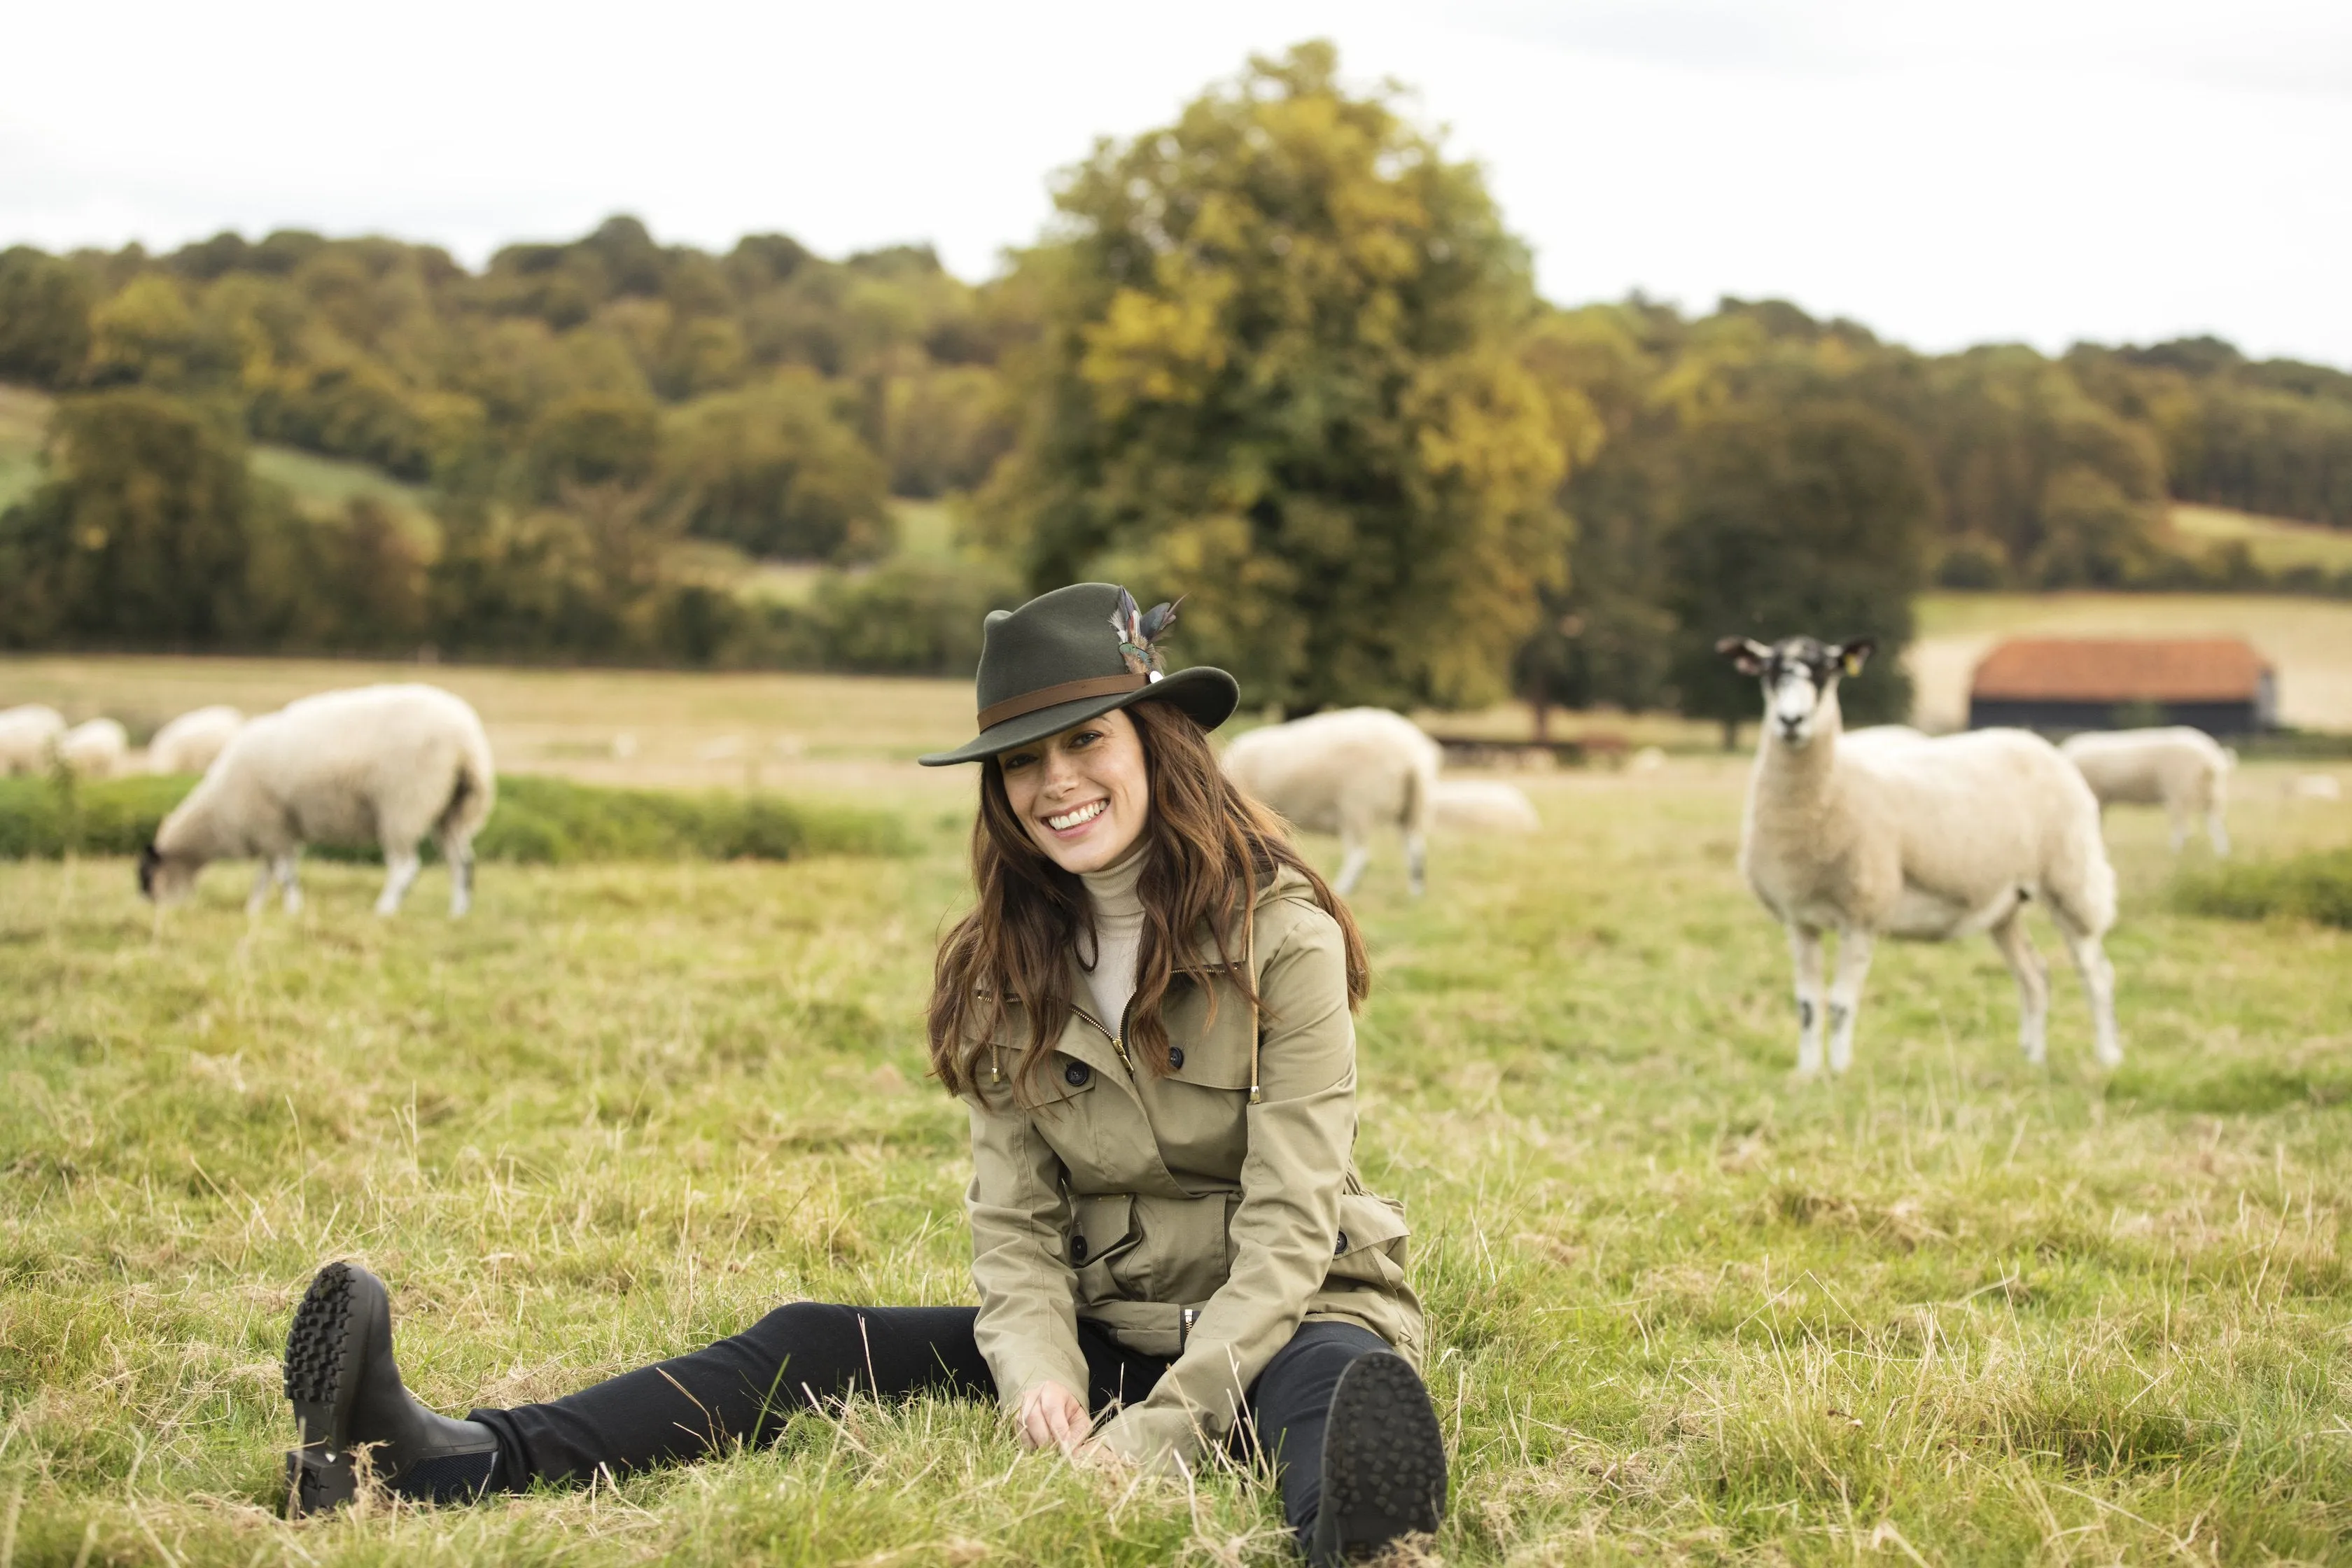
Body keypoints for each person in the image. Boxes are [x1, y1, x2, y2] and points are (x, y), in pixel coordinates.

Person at [279, 582, 1449, 1564]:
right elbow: (1015, 1219)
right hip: (1112, 1324)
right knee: (810, 1338)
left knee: (1329, 1398)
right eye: (1022, 760)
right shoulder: (1005, 968)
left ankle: (1359, 1531)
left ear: (1156, 742)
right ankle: (442, 1459)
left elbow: (1295, 1225)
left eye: (1087, 739)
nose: (1056, 783)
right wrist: (1041, 1367)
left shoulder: (1281, 939)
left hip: (1295, 1315)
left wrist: (1159, 1435)